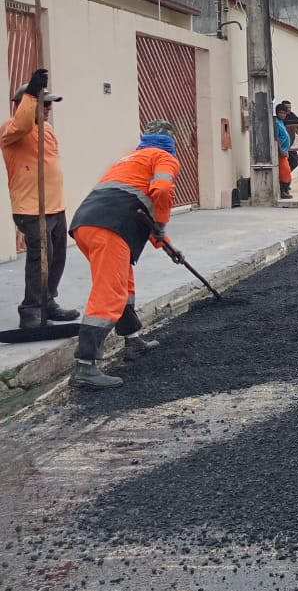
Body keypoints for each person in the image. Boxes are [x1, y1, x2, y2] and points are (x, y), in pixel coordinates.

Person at [67, 119, 182, 389]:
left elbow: (138, 207)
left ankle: (132, 339)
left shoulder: (129, 159)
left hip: (86, 224)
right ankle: (85, 366)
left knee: (123, 283)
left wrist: (163, 242)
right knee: (110, 293)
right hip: (111, 228)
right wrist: (162, 225)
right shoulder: (164, 158)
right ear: (171, 142)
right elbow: (162, 190)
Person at [0, 68, 80, 328]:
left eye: (49, 104)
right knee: (39, 258)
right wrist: (32, 93)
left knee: (57, 257)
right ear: (25, 103)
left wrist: (36, 97)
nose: (47, 108)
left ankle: (48, 301)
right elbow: (23, 123)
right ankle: (30, 310)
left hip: (55, 205)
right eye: (42, 103)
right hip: (32, 208)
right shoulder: (11, 130)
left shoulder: (46, 130)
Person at [274, 104, 293, 199]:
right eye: (280, 113)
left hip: (285, 151)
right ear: (277, 113)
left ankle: (286, 189)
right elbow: (276, 138)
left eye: (284, 113)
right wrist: (280, 150)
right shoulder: (276, 123)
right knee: (285, 171)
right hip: (281, 152)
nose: (282, 115)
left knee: (286, 170)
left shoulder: (281, 122)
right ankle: (283, 191)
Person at [279, 100, 298, 174]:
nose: (289, 109)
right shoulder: (279, 120)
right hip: (282, 146)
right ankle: (283, 179)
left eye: (290, 107)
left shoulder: (292, 115)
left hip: (291, 144)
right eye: (287, 107)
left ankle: (285, 176)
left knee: (295, 162)